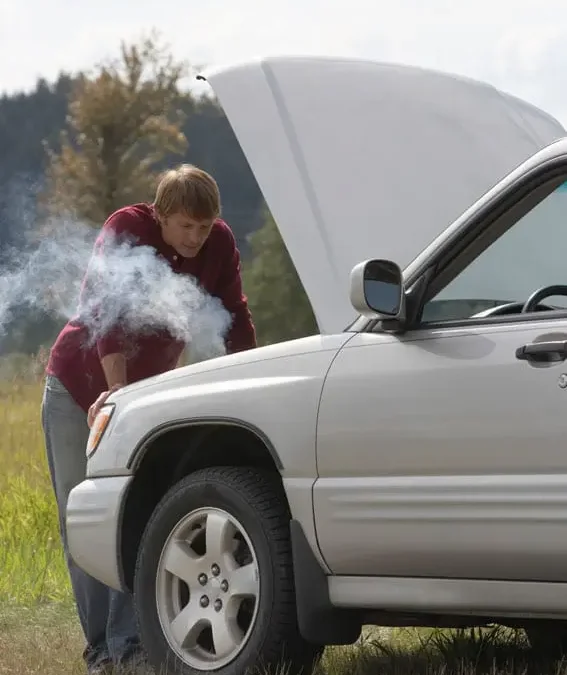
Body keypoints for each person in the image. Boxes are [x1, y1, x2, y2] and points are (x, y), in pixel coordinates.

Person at [41, 165, 257, 674]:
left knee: (132, 516)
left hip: (143, 396)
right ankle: (100, 653)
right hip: (77, 389)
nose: (196, 238)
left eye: (204, 228)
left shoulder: (219, 244)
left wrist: (250, 380)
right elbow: (104, 313)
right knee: (82, 522)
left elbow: (236, 314)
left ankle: (130, 647)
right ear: (160, 215)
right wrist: (115, 392)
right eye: (185, 226)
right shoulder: (126, 227)